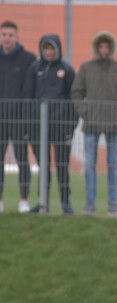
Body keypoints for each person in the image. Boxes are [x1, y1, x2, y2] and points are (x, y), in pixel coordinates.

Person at [71, 30, 117, 216]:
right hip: (92, 124)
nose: (104, 50)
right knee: (90, 164)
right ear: (96, 48)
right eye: (101, 46)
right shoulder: (87, 68)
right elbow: (77, 92)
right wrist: (84, 112)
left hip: (114, 124)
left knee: (113, 164)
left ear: (111, 48)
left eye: (107, 46)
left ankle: (113, 203)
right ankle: (90, 203)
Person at [27, 34, 77, 214]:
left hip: (61, 127)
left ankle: (65, 202)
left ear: (58, 49)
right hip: (39, 129)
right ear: (42, 49)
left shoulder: (67, 70)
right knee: (43, 166)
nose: (49, 52)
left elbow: (74, 100)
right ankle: (43, 203)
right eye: (46, 48)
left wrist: (70, 128)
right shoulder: (34, 69)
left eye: (52, 48)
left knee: (62, 165)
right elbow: (29, 97)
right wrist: (30, 126)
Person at [0, 20, 35, 213]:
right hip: (0, 120)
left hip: (19, 119)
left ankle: (24, 199)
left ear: (17, 36)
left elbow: (29, 90)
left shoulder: (28, 59)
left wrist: (25, 114)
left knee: (23, 159)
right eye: (4, 34)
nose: (7, 38)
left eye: (10, 35)